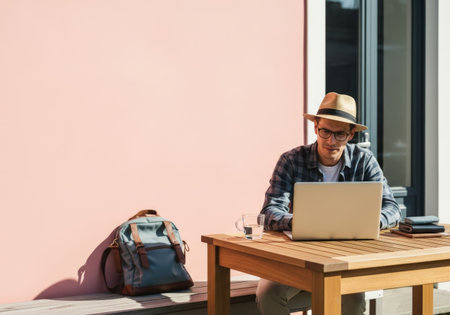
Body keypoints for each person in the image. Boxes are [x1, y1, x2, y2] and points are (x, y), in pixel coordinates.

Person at [256, 92, 401, 315]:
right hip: (300, 258)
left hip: (348, 259)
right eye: (325, 131)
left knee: (352, 302)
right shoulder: (291, 160)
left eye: (340, 134)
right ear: (315, 127)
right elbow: (269, 212)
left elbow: (391, 207)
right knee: (269, 296)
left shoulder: (365, 161)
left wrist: (370, 222)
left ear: (351, 134)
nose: (331, 141)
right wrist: (303, 223)